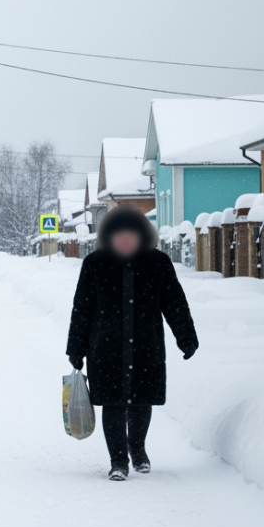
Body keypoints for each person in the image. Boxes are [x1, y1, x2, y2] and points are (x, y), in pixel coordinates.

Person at [66, 206, 198, 481]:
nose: (125, 240)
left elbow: (174, 303)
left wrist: (185, 336)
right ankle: (118, 461)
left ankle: (137, 448)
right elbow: (82, 309)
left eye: (131, 235)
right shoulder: (95, 263)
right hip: (105, 348)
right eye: (119, 235)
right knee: (113, 403)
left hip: (146, 346)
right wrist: (76, 349)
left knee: (141, 401)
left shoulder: (158, 263)